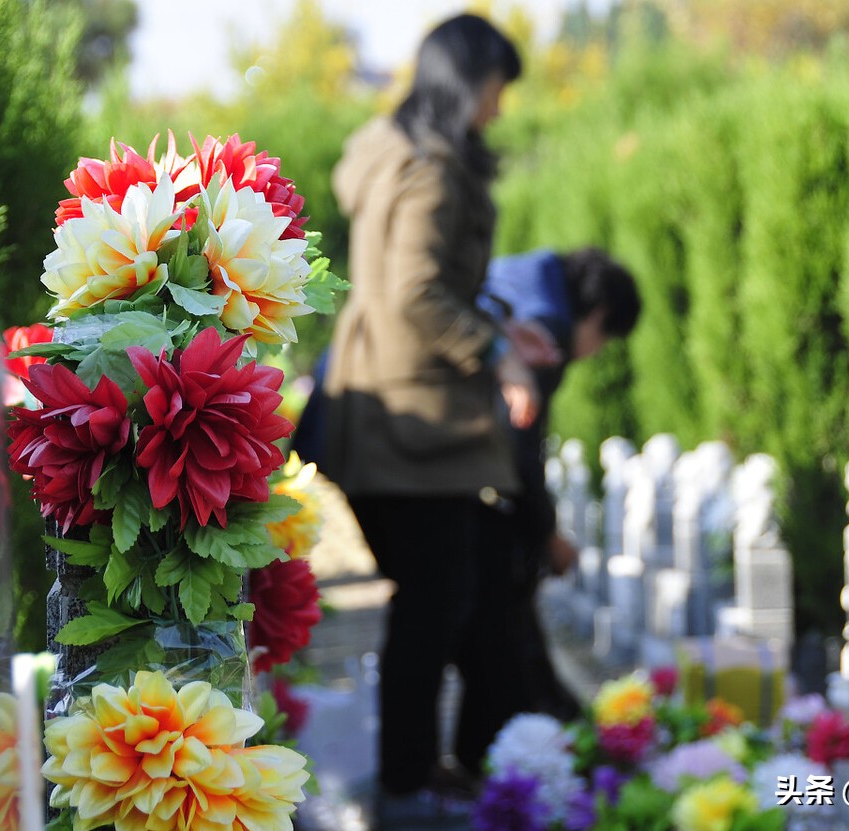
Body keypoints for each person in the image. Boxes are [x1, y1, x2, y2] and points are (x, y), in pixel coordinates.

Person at [319, 13, 554, 821]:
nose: (498, 109)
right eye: (496, 89)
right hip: (417, 424)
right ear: (470, 83)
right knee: (433, 604)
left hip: (380, 402)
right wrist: (500, 353)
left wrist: (491, 317)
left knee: (431, 600)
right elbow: (415, 293)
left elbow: (414, 281)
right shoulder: (435, 170)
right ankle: (408, 783)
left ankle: (414, 771)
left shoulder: (389, 151)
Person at [479, 246, 642, 720]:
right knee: (500, 614)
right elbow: (521, 445)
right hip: (460, 477)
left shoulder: (530, 277)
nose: (593, 353)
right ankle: (531, 727)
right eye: (604, 339)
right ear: (599, 315)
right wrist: (545, 533)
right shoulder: (546, 327)